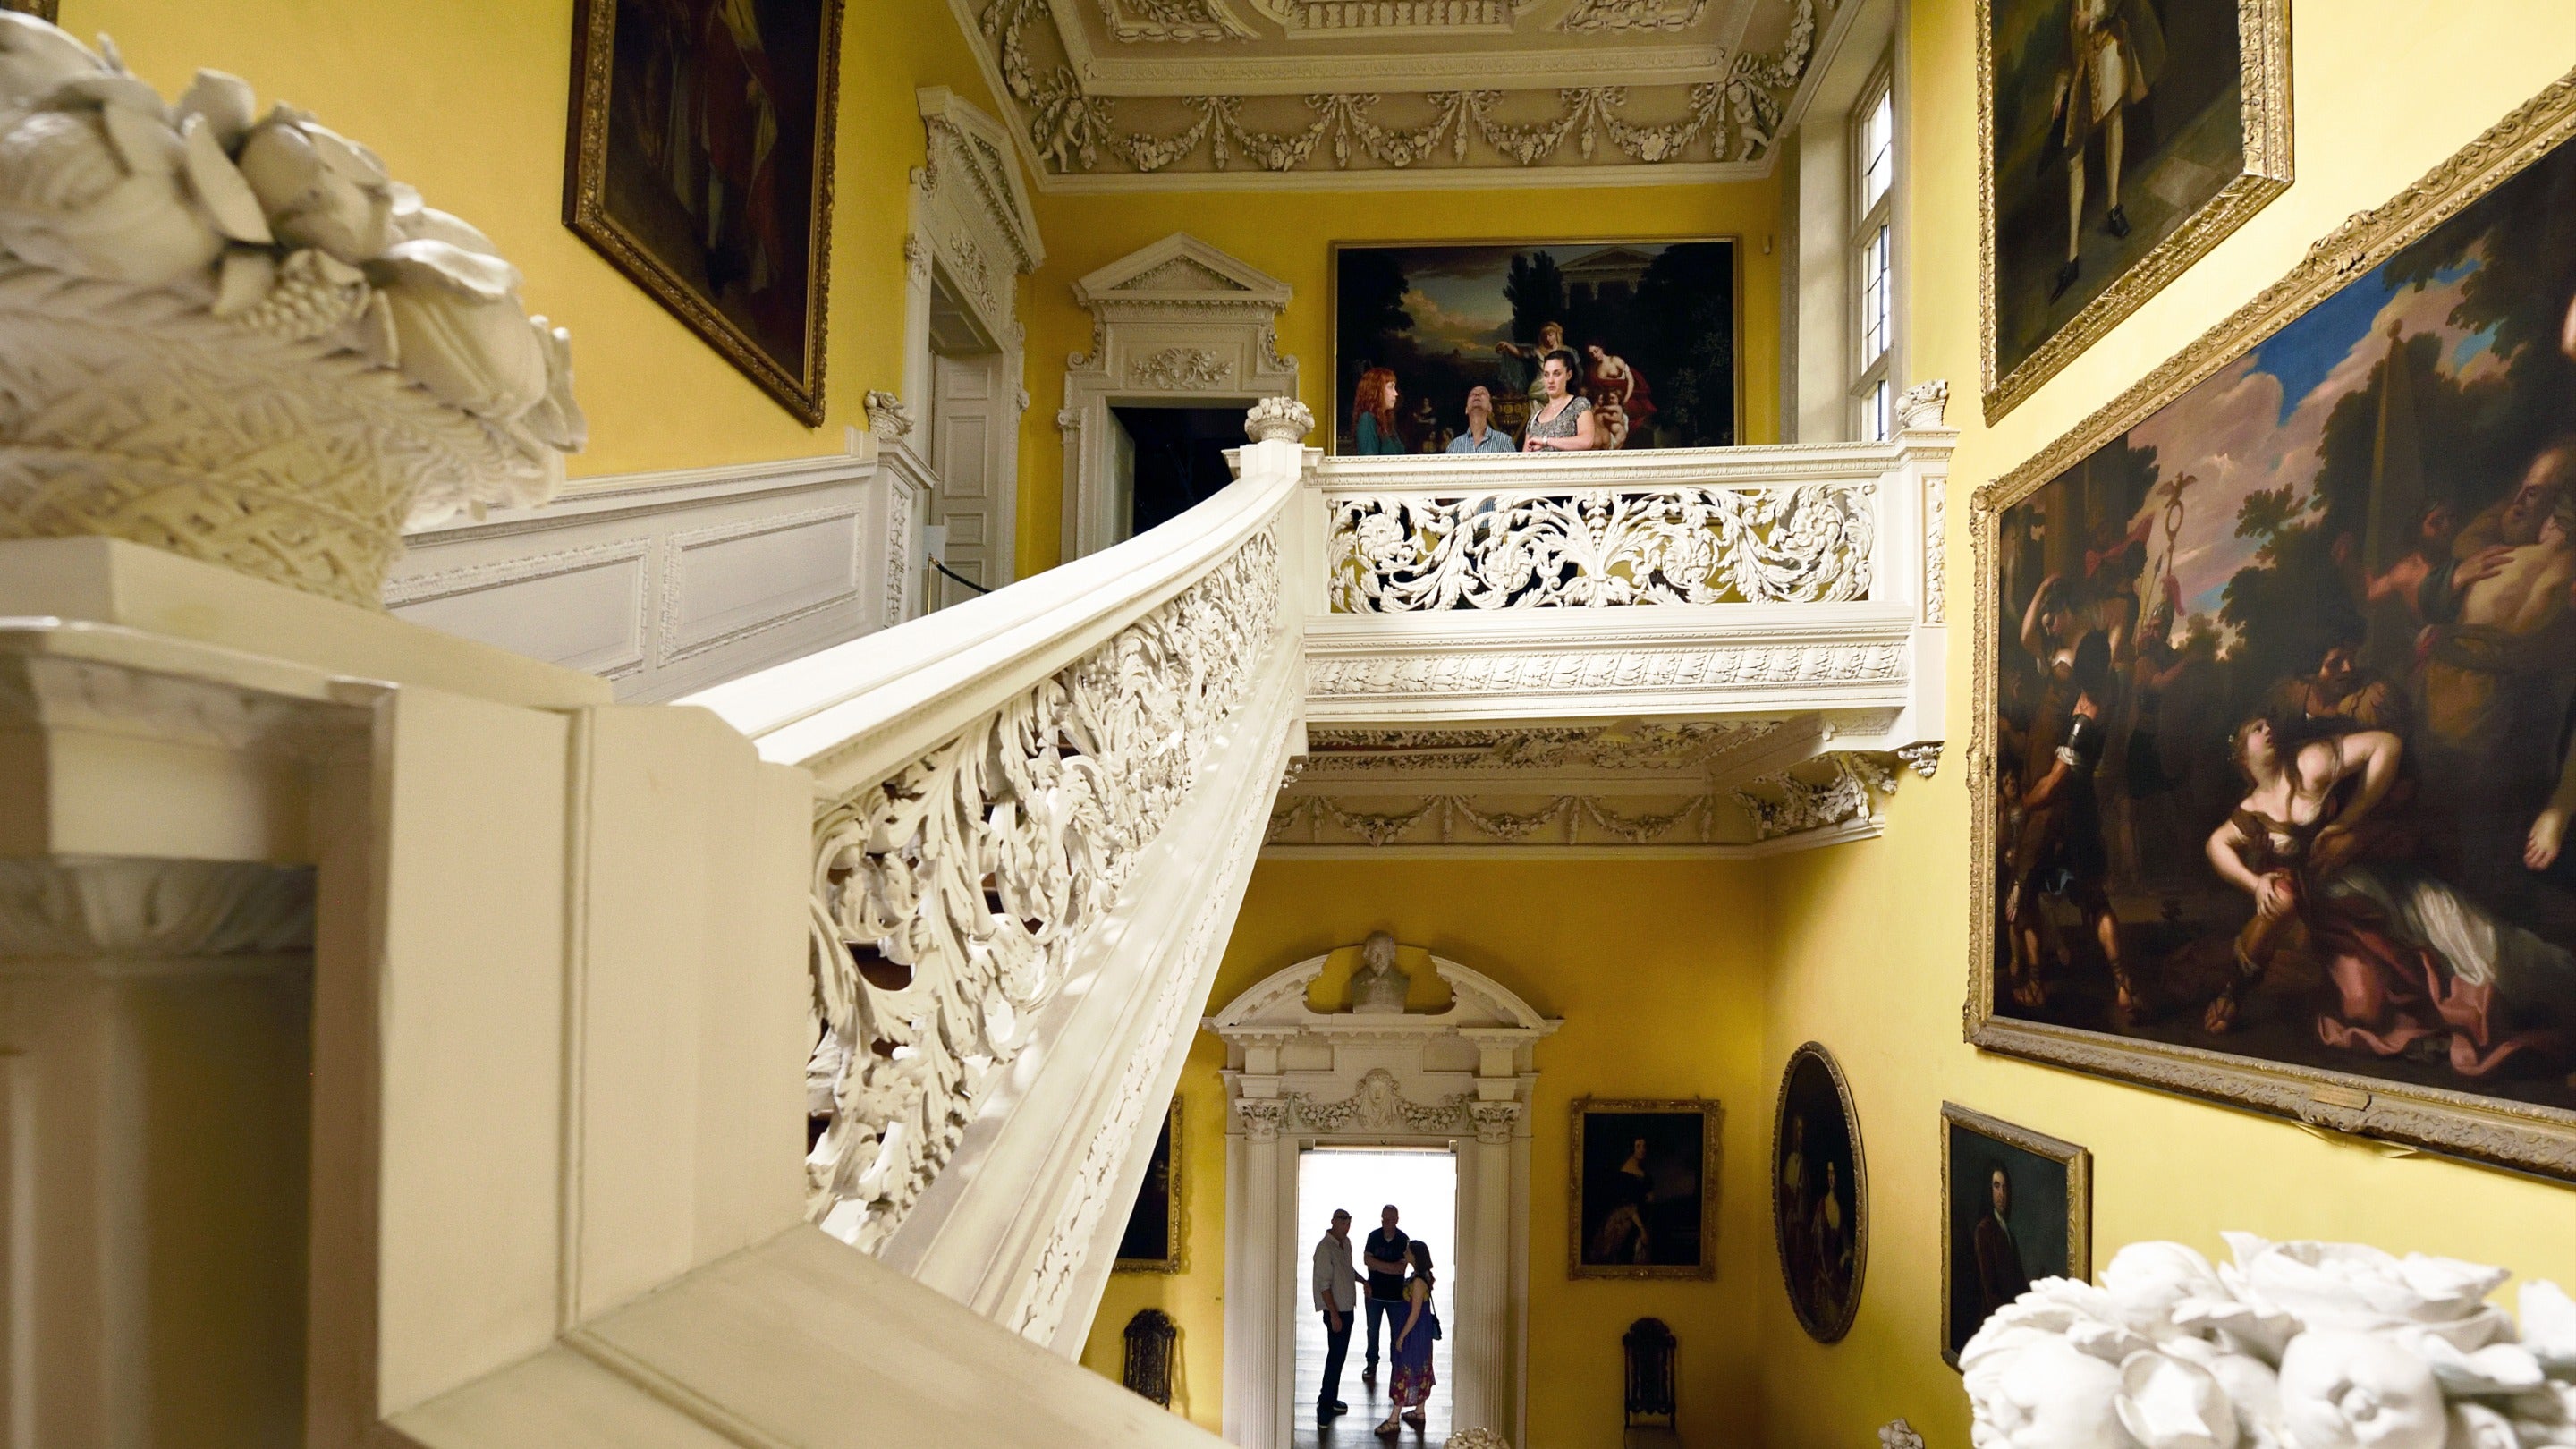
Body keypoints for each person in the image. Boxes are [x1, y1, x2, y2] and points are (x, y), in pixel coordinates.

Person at [2202, 719, 2574, 1065]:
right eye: (2255, 728)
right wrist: (2255, 883)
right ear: (2242, 756)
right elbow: (2216, 845)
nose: (2267, 727)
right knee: (2359, 1001)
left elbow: (2387, 745)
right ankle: (2234, 992)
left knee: (2466, 946)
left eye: (2266, 722)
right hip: (2313, 909)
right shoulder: (2249, 812)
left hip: (2355, 889)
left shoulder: (2309, 763)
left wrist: (2349, 820)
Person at [2046, 0, 2165, 301]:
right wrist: (2061, 88)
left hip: (2110, 54)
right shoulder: (2071, 8)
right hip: (2084, 73)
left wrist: (2094, 16)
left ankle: (2113, 208)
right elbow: (2065, 55)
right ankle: (2071, 258)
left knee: (2113, 119)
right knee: (2074, 156)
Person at [1375, 1241, 1439, 1437]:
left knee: (1405, 1369)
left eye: (1408, 1250)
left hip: (1414, 1334)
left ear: (1415, 1256)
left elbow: (1415, 1313)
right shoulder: (1421, 1277)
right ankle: (1419, 1411)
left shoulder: (1418, 1282)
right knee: (1420, 1367)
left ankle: (1394, 1419)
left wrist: (1401, 1336)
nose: (1405, 1252)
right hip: (1421, 1333)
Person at [1312, 1208, 1364, 1420]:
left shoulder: (1346, 1244)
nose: (1346, 1226)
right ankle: (1325, 1404)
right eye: (1342, 1222)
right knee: (1335, 1357)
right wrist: (1333, 1315)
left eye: (1348, 1222)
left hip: (1347, 1309)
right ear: (1333, 1222)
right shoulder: (1324, 1249)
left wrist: (1363, 1281)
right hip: (1337, 1312)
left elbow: (1348, 1270)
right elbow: (1324, 1286)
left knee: (1338, 1356)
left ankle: (1330, 1397)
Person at [1971, 1165, 2033, 1322]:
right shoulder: (1984, 1230)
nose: (2002, 1194)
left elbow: (2018, 1282)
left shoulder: (2007, 1232)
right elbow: (1989, 1290)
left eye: (2005, 1188)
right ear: (1989, 1190)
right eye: (1996, 1186)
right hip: (1994, 1322)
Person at [1360, 1204, 1411, 1386]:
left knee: (1396, 1333)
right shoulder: (1374, 1236)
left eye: (1389, 1219)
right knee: (1372, 1331)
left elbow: (1401, 1269)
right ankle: (1371, 1362)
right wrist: (1390, 1267)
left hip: (1396, 1297)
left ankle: (1396, 1365)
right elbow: (1367, 1261)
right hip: (1374, 1295)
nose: (1385, 1222)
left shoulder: (1403, 1239)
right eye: (1383, 1219)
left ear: (1397, 1219)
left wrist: (1378, 1265)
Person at [1522, 350, 1599, 453]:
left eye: (1556, 374)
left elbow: (1586, 441)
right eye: (1546, 375)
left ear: (1569, 375)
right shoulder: (1535, 418)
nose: (1550, 380)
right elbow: (1524, 458)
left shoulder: (1579, 405)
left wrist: (1546, 441)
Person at [1592, 1136, 1653, 1264]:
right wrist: (1642, 1230)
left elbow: (1644, 1196)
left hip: (1640, 1220)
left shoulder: (1642, 1173)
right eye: (1638, 1146)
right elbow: (1628, 1208)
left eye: (1644, 1146)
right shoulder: (1624, 1175)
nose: (1642, 1150)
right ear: (1632, 1149)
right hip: (1625, 1224)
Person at [1585, 343, 1656, 445]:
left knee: (1622, 414)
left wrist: (1626, 399)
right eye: (1591, 354)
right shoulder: (1594, 368)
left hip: (1626, 396)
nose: (1595, 355)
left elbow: (1630, 380)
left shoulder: (1615, 360)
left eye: (1596, 351)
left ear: (1601, 348)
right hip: (1608, 398)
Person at [1446, 385, 1517, 454]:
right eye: (1472, 394)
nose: (1477, 395)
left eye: (1483, 393)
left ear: (1490, 408)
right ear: (1466, 409)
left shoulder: (1504, 442)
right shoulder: (1454, 447)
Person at [1352, 369, 1407, 455]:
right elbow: (1369, 463)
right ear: (1376, 390)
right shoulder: (1367, 419)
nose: (1396, 393)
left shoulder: (1386, 423)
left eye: (1394, 388)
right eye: (1390, 387)